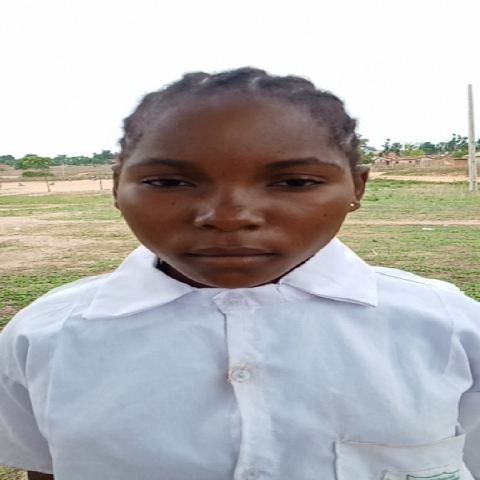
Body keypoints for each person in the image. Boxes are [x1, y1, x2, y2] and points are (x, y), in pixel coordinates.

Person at [0, 68, 479, 480]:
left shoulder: (449, 328)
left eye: (294, 182)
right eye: (167, 181)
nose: (228, 217)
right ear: (116, 187)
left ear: (357, 187)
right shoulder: (44, 338)